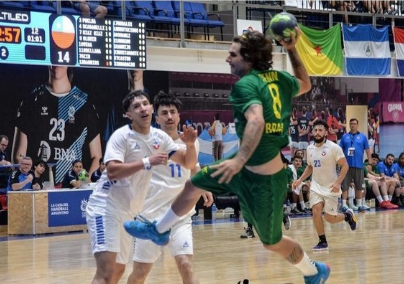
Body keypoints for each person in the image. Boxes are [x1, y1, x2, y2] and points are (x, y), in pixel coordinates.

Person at [124, 30, 331, 283]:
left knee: (271, 242)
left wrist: (239, 159)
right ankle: (158, 230)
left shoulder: (246, 85)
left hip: (264, 180)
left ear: (249, 59)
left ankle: (314, 271)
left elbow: (256, 120)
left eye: (233, 54)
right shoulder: (279, 78)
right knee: (192, 184)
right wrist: (291, 49)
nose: (227, 58)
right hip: (244, 166)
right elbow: (306, 84)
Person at [85, 90, 198, 284]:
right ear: (128, 114)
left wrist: (189, 145)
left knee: (117, 272)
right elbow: (112, 171)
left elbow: (188, 163)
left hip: (130, 212)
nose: (142, 108)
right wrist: (148, 161)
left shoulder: (159, 138)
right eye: (136, 106)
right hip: (106, 207)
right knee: (107, 271)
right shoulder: (121, 136)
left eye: (145, 103)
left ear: (151, 109)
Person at [127, 91, 204, 284]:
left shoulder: (191, 141)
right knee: (139, 274)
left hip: (180, 215)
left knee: (186, 264)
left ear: (178, 115)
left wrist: (204, 187)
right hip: (150, 216)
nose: (169, 116)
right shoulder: (147, 140)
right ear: (157, 116)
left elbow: (194, 167)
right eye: (164, 112)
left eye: (172, 112)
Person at [13, 66, 102, 186]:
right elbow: (19, 156)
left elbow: (97, 156)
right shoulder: (31, 100)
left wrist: (85, 184)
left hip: (71, 188)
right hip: (40, 186)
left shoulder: (84, 103)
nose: (57, 61)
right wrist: (32, 180)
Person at [293, 119, 357, 251]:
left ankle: (347, 216)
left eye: (320, 130)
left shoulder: (334, 148)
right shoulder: (309, 148)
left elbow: (345, 166)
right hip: (316, 186)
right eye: (315, 130)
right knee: (316, 212)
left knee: (330, 218)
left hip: (331, 187)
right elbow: (310, 167)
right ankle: (322, 241)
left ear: (326, 132)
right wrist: (299, 180)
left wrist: (338, 183)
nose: (317, 132)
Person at [339, 118, 372, 212]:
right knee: (345, 185)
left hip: (358, 165)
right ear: (349, 125)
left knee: (359, 185)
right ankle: (344, 205)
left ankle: (359, 205)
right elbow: (340, 150)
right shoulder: (344, 137)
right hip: (346, 166)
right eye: (351, 124)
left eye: (354, 123)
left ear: (357, 125)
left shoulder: (363, 137)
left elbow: (368, 150)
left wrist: (369, 162)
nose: (353, 125)